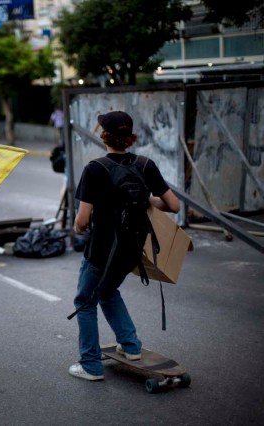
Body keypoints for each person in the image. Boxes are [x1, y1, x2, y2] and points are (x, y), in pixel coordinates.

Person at [69, 111, 180, 381]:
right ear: (129, 137)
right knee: (107, 291)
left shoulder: (95, 169)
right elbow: (173, 206)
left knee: (85, 301)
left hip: (101, 252)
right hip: (132, 250)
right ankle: (130, 347)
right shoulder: (145, 165)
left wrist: (77, 227)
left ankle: (91, 366)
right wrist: (150, 201)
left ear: (104, 135)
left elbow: (82, 221)